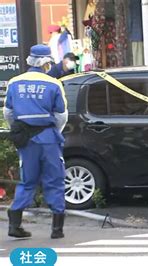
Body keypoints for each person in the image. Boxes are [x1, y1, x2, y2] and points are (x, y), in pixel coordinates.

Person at [3, 44, 68, 238]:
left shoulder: (14, 82)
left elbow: (8, 112)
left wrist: (20, 128)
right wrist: (53, 131)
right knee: (55, 180)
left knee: (27, 180)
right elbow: (61, 115)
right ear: (46, 63)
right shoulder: (53, 84)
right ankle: (57, 230)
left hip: (26, 140)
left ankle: (15, 224)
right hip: (48, 138)